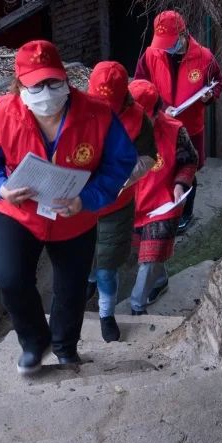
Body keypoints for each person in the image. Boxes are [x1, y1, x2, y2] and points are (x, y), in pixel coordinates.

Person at [0, 40, 137, 375]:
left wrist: (87, 199)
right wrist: (0, 187)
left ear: (65, 79)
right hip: (19, 212)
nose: (46, 91)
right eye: (37, 84)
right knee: (11, 279)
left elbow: (121, 163)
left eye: (53, 82)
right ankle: (34, 342)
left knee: (71, 288)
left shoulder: (97, 114)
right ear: (20, 85)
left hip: (74, 215)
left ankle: (65, 347)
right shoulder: (1, 112)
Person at [85, 61, 157, 342]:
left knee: (108, 264)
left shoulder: (138, 119)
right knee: (85, 255)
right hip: (83, 203)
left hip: (116, 204)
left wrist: (119, 177)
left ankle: (106, 313)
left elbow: (148, 158)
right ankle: (88, 282)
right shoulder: (75, 110)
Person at [133, 9, 222, 232]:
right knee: (163, 170)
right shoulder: (151, 55)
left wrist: (210, 95)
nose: (166, 47)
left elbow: (217, 83)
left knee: (188, 170)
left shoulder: (204, 57)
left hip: (190, 127)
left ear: (183, 34)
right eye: (162, 43)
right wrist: (161, 107)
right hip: (161, 126)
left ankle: (185, 213)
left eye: (171, 42)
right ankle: (165, 210)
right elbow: (140, 85)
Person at [127, 79, 199, 314]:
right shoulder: (119, 128)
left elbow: (189, 161)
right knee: (147, 253)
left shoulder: (175, 130)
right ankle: (160, 282)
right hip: (131, 203)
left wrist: (180, 184)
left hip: (163, 203)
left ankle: (137, 306)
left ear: (156, 111)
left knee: (148, 258)